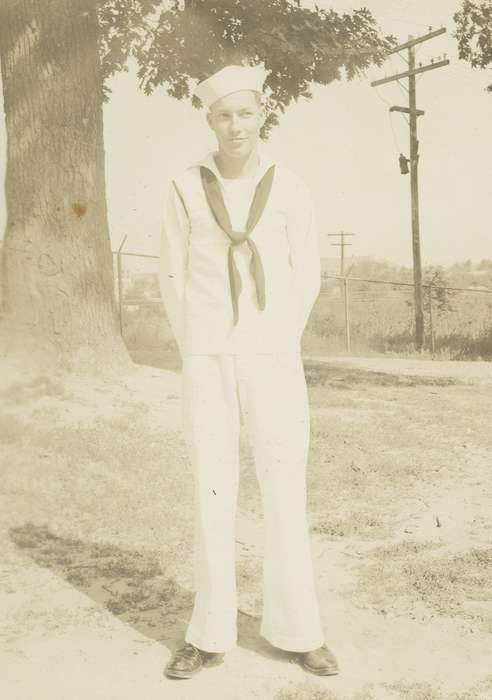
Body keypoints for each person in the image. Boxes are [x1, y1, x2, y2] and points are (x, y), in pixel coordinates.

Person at [159, 64, 338, 680]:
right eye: (222, 115)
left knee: (284, 480)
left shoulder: (289, 186)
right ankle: (209, 634)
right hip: (208, 353)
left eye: (246, 113)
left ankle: (298, 630)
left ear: (263, 115)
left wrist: (278, 337)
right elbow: (173, 275)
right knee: (213, 484)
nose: (235, 126)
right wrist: (196, 344)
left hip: (271, 353)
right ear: (210, 121)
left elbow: (306, 271)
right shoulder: (186, 186)